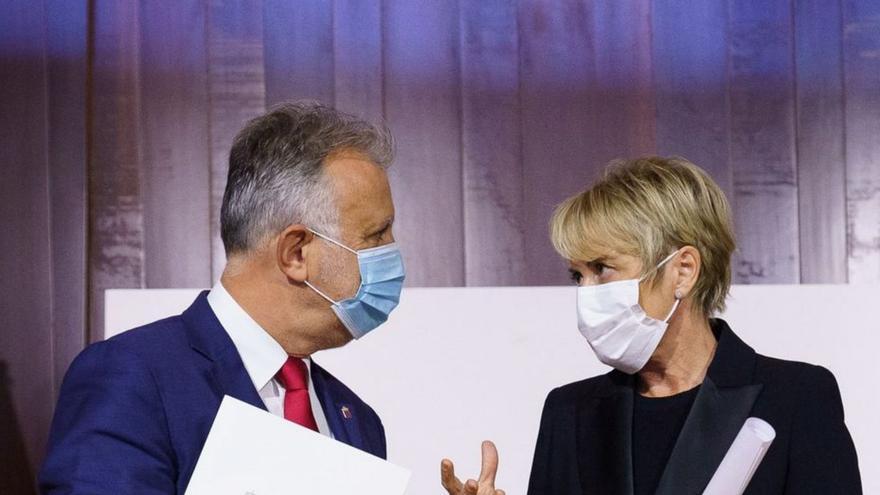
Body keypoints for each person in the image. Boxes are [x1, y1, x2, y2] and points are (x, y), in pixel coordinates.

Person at [39, 101, 405, 493]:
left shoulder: (358, 421)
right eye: (376, 235)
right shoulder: (134, 379)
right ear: (296, 253)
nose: (392, 250)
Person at [444, 156, 862, 494]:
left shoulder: (796, 399)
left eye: (603, 269)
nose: (587, 291)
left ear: (682, 270)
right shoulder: (569, 412)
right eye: (578, 275)